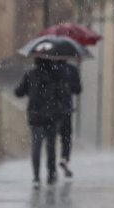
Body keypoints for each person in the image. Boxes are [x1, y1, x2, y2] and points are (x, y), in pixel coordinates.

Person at [15, 58, 68, 188]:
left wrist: (27, 89)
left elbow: (19, 92)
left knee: (36, 147)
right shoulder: (56, 75)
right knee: (50, 146)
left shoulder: (30, 75)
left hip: (36, 116)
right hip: (52, 116)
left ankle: (36, 177)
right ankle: (51, 173)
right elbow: (63, 94)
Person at [55, 60, 82, 178]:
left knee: (51, 138)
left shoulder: (49, 69)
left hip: (52, 109)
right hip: (66, 108)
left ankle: (51, 168)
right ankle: (64, 158)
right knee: (66, 137)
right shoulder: (72, 70)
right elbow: (78, 89)